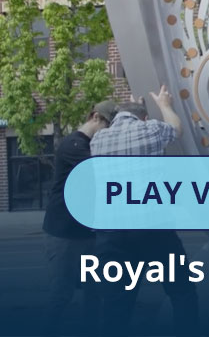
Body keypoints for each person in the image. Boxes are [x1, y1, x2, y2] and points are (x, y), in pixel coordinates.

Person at [90, 87, 198, 336]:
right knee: (181, 291)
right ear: (145, 118)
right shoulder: (150, 130)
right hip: (152, 228)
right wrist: (165, 105)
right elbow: (176, 128)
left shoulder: (98, 140)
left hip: (111, 233)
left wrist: (133, 107)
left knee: (117, 303)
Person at [42, 100, 116, 336]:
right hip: (64, 233)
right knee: (62, 292)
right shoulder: (74, 145)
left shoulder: (89, 145)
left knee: (94, 291)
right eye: (108, 125)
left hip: (87, 233)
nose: (109, 132)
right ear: (95, 117)